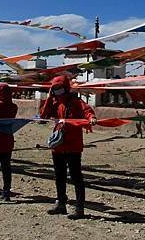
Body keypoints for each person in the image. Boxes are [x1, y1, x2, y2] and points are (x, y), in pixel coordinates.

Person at [39, 75, 97, 220]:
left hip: (73, 145)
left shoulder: (76, 102)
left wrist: (91, 118)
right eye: (55, 88)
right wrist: (49, 97)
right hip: (58, 145)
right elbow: (43, 115)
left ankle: (79, 208)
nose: (57, 90)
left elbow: (87, 111)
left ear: (65, 87)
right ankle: (61, 203)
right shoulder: (54, 102)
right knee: (59, 176)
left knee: (76, 177)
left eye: (59, 87)